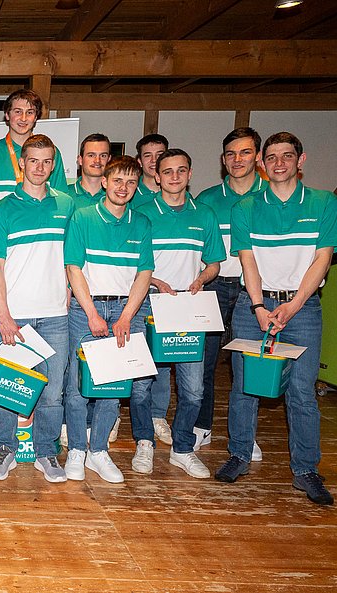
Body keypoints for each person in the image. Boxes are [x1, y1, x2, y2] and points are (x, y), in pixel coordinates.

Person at [215, 132, 337, 507]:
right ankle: (239, 455)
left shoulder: (324, 203)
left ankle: (305, 470)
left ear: (300, 161)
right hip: (252, 306)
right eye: (271, 157)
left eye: (287, 156)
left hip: (303, 309)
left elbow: (322, 259)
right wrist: (258, 306)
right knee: (245, 386)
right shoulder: (246, 208)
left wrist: (294, 304)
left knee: (302, 392)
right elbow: (248, 261)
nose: (279, 163)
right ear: (262, 164)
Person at [0, 135, 74, 482]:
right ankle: (5, 448)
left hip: (55, 316)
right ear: (22, 163)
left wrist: (68, 289)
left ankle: (46, 453)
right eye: (33, 160)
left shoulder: (66, 205)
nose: (40, 167)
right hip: (14, 316)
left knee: (52, 391)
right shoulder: (2, 209)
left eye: (47, 161)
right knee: (9, 389)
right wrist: (4, 315)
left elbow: (72, 258)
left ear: (54, 165)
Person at [133, 149, 225, 479]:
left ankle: (182, 448)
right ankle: (144, 442)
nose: (174, 177)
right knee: (141, 385)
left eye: (181, 170)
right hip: (149, 305)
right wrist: (154, 281)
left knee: (194, 389)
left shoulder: (205, 214)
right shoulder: (141, 213)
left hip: (189, 308)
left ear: (190, 174)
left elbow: (214, 263)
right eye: (167, 171)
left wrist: (202, 278)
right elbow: (131, 262)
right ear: (157, 176)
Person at [63, 156, 153, 484]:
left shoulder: (141, 223)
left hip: (126, 311)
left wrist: (127, 316)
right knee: (79, 385)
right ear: (104, 182)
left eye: (131, 182)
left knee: (113, 386)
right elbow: (73, 268)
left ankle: (98, 451)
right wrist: (92, 313)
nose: (123, 188)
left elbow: (144, 273)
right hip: (86, 310)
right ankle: (77, 449)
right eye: (117, 180)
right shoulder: (83, 217)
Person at [194, 128, 268, 454]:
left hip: (253, 292)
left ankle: (244, 436)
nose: (237, 159)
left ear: (258, 157)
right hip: (212, 288)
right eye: (231, 154)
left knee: (247, 366)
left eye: (245, 152)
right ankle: (202, 427)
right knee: (204, 363)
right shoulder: (207, 199)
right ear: (223, 160)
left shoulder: (270, 197)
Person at [0, 89, 68, 218]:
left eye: (30, 112)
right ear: (7, 115)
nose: (23, 118)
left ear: (36, 117)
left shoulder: (51, 152)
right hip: (0, 229)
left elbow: (59, 200)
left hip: (40, 228)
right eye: (18, 111)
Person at [69, 134, 111, 210]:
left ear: (109, 160)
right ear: (80, 160)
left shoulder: (117, 196)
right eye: (91, 155)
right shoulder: (64, 195)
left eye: (103, 156)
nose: (97, 161)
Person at [132, 133, 168, 209]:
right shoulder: (129, 192)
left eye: (159, 155)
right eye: (148, 156)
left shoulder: (178, 192)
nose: (154, 160)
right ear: (140, 162)